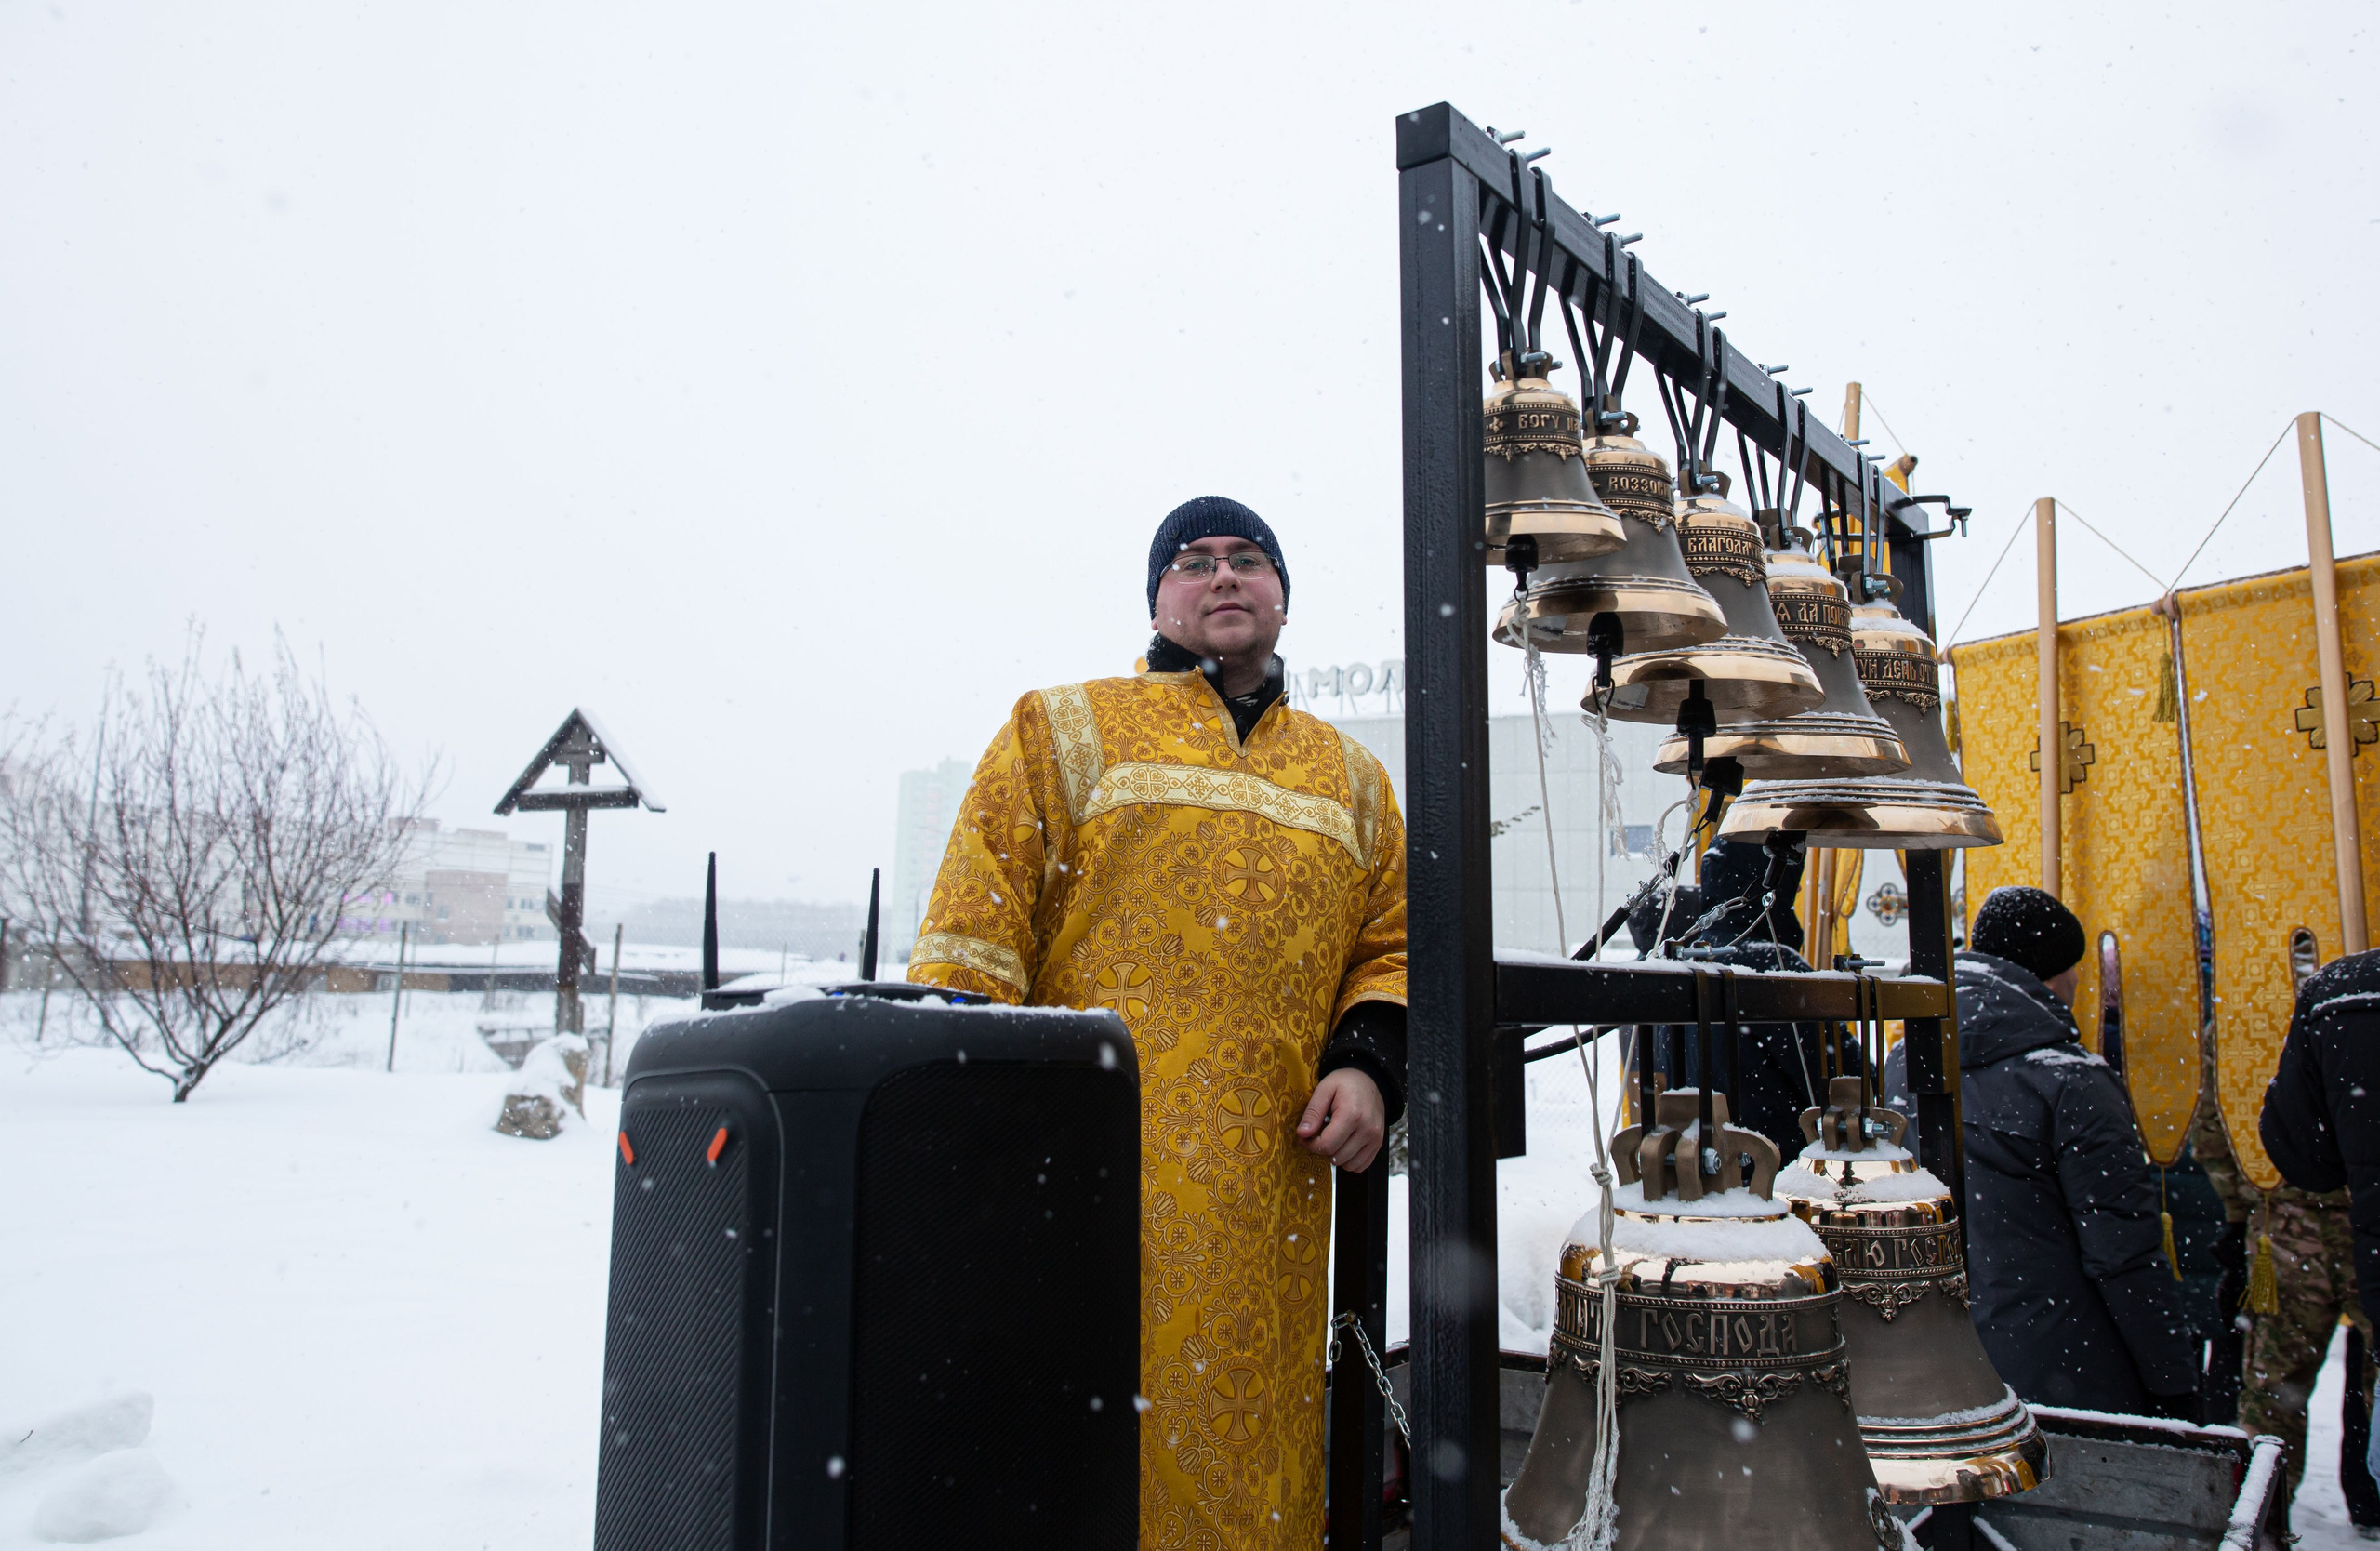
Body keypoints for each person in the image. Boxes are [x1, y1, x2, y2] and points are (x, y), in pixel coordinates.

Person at [907, 496, 1407, 1549]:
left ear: (1280, 597)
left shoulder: (1354, 782)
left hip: (1272, 1195)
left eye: (1247, 560)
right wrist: (971, 1155)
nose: (1223, 577)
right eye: (1193, 562)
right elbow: (972, 940)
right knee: (1084, 1456)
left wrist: (1366, 1064)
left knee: (1250, 1458)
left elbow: (1390, 947)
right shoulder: (1063, 729)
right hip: (1085, 1183)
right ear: (1158, 598)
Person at [1925, 885, 2197, 1414]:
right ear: (2051, 973)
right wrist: (2173, 1382)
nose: (2078, 982)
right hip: (2069, 1375)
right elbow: (2124, 1252)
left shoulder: (1909, 1057)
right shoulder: (2072, 1081)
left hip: (1948, 1368)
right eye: (2074, 968)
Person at [2259, 947, 2380, 1501]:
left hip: (2305, 1227)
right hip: (2312, 1229)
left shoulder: (2335, 998)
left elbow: (2297, 1146)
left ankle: (2261, 1519)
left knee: (2274, 1399)